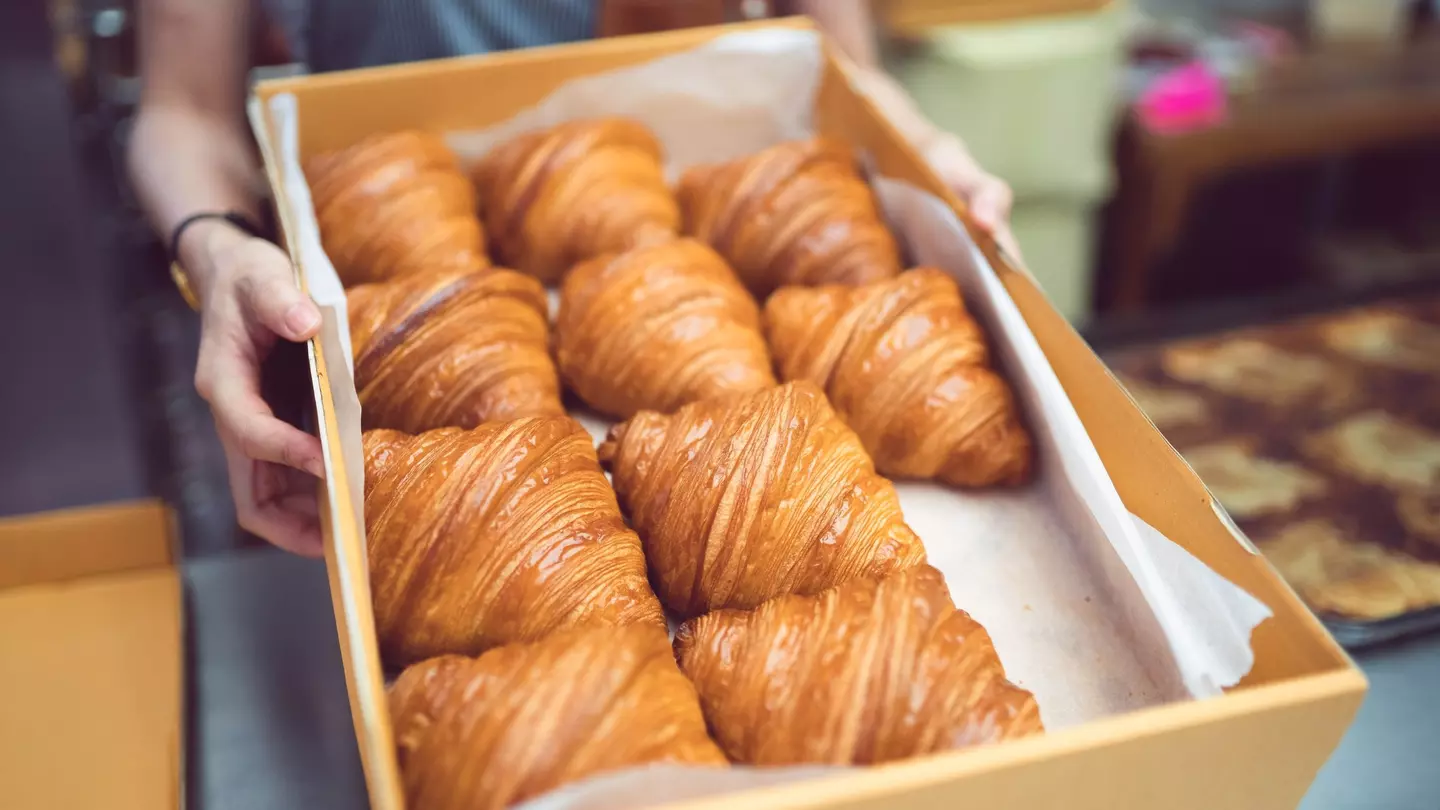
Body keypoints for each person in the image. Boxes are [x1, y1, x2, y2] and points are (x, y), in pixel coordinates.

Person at [127, 0, 1016, 557]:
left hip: (689, 195)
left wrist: (928, 155)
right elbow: (183, 112)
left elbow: (835, 54)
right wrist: (216, 245)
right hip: (382, 243)